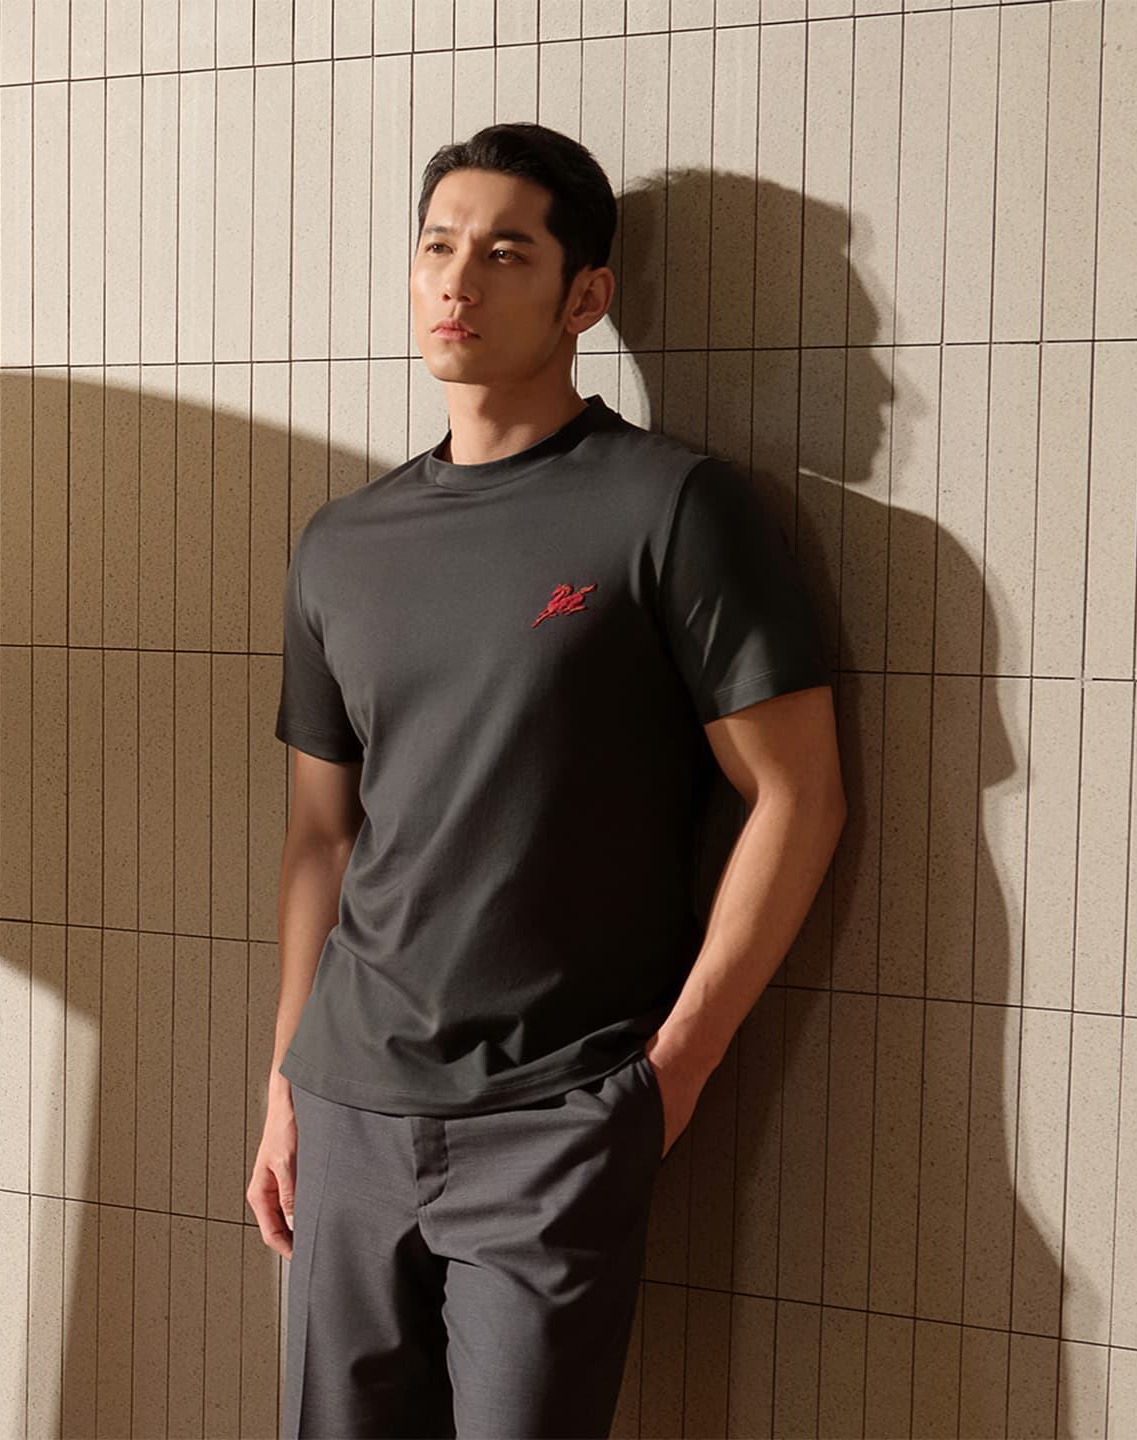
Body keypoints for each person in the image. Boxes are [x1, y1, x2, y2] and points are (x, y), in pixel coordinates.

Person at [247, 121, 848, 1438]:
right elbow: (318, 835)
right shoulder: (344, 543)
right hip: (348, 1107)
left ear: (586, 295)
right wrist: (288, 1077)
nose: (458, 281)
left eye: (505, 250)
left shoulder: (669, 509)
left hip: (552, 1118)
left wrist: (669, 1075)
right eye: (437, 246)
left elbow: (798, 794)